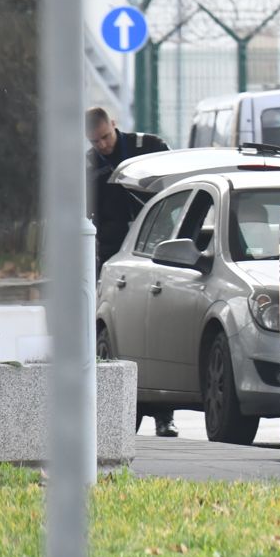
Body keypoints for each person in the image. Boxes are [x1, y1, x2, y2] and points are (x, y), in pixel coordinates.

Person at [87, 107, 177, 436]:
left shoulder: (148, 147)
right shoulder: (89, 165)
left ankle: (163, 415)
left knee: (156, 331)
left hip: (157, 251)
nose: (103, 145)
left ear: (114, 124)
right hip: (115, 257)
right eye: (95, 141)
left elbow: (177, 186)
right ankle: (123, 415)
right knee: (120, 335)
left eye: (106, 137)